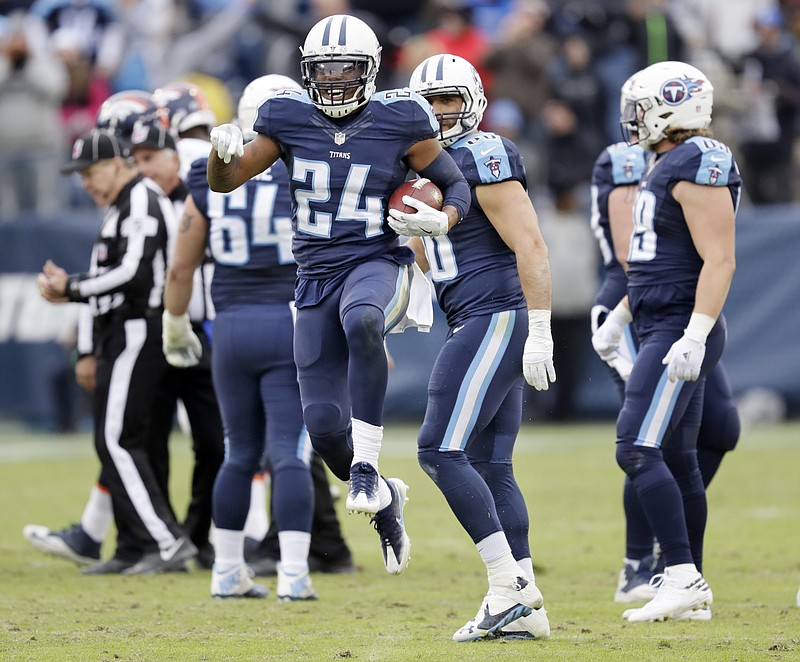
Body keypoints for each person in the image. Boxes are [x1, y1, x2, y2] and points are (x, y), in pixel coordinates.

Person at [206, 14, 471, 575]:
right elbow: (225, 181)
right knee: (324, 430)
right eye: (322, 67)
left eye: (344, 66)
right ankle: (385, 498)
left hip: (377, 260)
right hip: (313, 277)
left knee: (364, 321)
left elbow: (456, 182)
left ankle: (370, 466)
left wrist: (444, 220)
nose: (332, 77)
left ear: (369, 69)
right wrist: (220, 152)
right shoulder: (285, 117)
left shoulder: (402, 118)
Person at [405, 53, 554, 641]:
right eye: (430, 102)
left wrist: (539, 327)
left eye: (449, 100)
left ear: (473, 102)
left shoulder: (481, 154)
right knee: (491, 465)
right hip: (471, 313)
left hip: (494, 315)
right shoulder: (414, 164)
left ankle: (508, 589)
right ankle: (529, 607)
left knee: (439, 450)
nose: (441, 112)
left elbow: (531, 244)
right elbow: (427, 250)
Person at [591, 60, 741, 622]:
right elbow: (659, 263)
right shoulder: (667, 162)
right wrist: (620, 316)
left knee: (635, 446)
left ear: (670, 105)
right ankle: (692, 588)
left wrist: (696, 334)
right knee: (677, 458)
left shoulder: (700, 159)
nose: (633, 119)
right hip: (657, 317)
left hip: (680, 325)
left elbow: (719, 259)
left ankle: (680, 576)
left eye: (640, 107)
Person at [163, 74, 320, 600]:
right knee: (290, 454)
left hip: (228, 327)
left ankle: (227, 569)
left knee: (239, 452)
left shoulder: (212, 174)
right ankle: (294, 574)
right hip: (290, 322)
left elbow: (181, 268)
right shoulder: (308, 173)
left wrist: (174, 324)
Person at [34, 128, 197, 574]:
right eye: (81, 174)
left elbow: (133, 271)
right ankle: (135, 546)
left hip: (139, 327)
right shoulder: (120, 205)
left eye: (92, 171)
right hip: (121, 330)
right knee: (121, 440)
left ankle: (165, 541)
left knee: (116, 439)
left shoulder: (141, 197)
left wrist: (73, 288)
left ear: (119, 164)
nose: (85, 182)